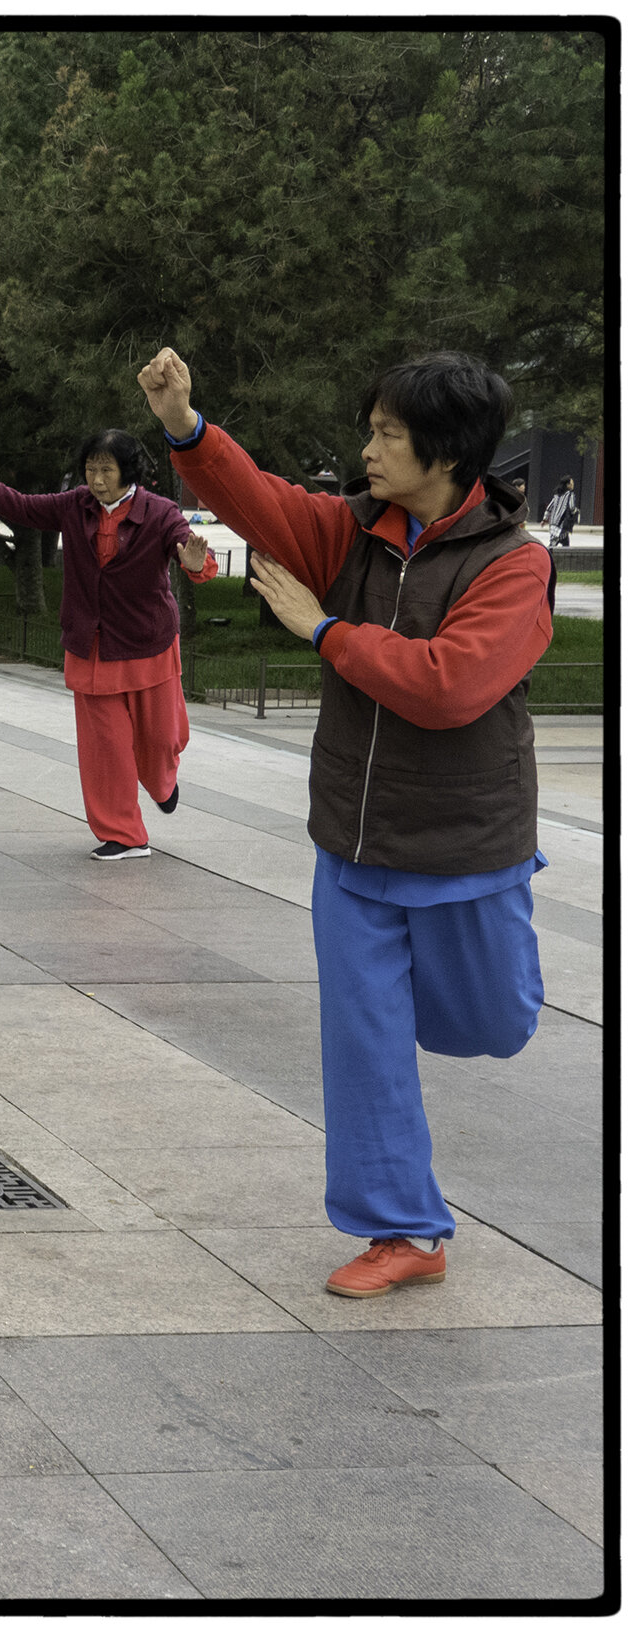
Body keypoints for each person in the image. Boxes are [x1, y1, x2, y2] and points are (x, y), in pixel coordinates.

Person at [139, 345, 551, 1300]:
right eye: (371, 430)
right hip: (355, 846)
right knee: (364, 1041)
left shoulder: (511, 566)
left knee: (493, 1025)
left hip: (466, 848)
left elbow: (449, 687)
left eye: (387, 435)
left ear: (447, 453)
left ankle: (493, 1000)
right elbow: (262, 501)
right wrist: (183, 426)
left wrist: (325, 633)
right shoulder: (353, 533)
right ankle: (401, 1229)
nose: (368, 450)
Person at [0, 432, 218, 859]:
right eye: (91, 468)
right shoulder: (75, 504)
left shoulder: (160, 513)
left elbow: (190, 550)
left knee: (160, 740)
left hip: (148, 643)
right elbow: (23, 507)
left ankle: (162, 781)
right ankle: (124, 834)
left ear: (129, 471)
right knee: (105, 749)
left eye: (107, 469)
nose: (97, 478)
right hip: (92, 646)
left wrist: (196, 564)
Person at [542, 477, 579, 549]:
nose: (573, 484)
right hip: (561, 525)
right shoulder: (570, 494)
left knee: (563, 542)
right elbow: (572, 508)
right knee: (554, 545)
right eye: (572, 483)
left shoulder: (557, 495)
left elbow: (549, 508)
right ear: (568, 485)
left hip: (553, 524)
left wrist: (545, 519)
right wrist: (576, 511)